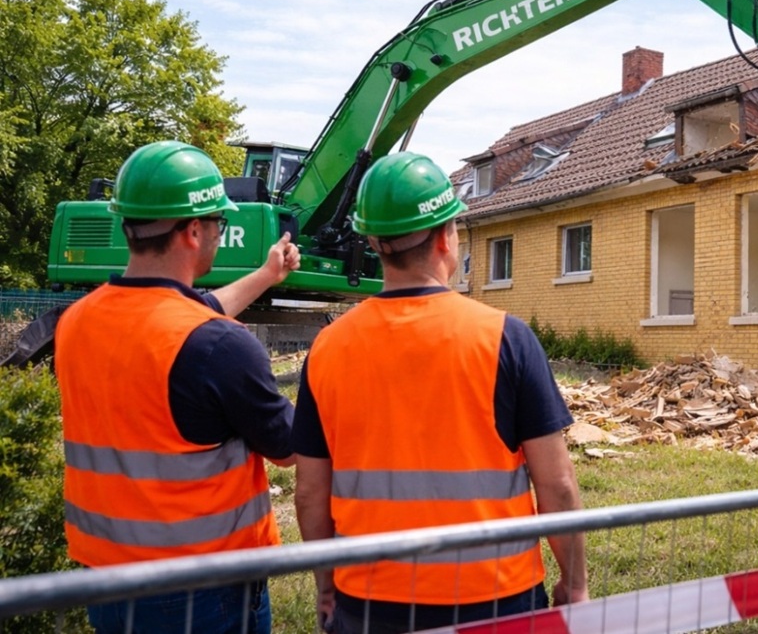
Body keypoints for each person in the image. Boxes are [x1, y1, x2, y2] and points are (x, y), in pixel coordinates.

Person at [292, 152, 588, 634]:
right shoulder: (505, 338)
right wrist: (574, 583)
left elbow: (309, 494)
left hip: (369, 599)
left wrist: (327, 586)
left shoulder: (328, 347)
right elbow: (556, 485)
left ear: (372, 243)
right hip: (495, 598)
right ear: (447, 236)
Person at [54, 140, 300, 634]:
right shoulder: (217, 346)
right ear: (193, 230)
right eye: (218, 224)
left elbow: (186, 317)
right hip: (202, 589)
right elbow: (292, 448)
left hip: (105, 579)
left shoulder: (77, 321)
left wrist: (266, 276)